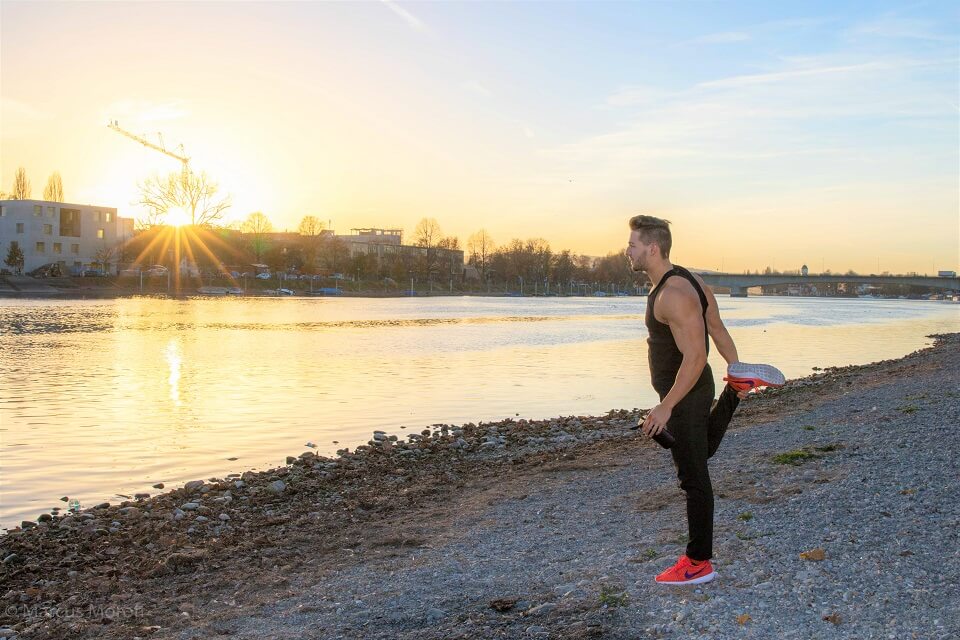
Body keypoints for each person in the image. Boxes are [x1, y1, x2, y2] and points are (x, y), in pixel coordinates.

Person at [624, 214, 777, 586]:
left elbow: (695, 357)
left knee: (693, 477)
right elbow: (717, 329)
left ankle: (698, 562)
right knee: (700, 450)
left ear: (652, 248)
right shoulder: (692, 281)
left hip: (685, 392)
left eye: (632, 244)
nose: (627, 251)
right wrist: (735, 367)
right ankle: (736, 388)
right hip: (692, 390)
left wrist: (666, 406)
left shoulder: (672, 295)